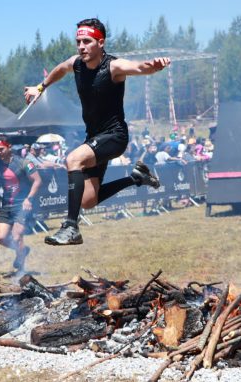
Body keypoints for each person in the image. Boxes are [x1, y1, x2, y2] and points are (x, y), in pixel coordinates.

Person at [24, 18, 170, 245]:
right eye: (78, 41)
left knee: (73, 159)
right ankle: (136, 178)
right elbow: (60, 69)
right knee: (88, 200)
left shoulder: (113, 67)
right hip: (94, 137)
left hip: (115, 136)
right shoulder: (76, 63)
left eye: (87, 41)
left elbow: (140, 67)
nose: (81, 46)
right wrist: (40, 88)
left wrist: (154, 66)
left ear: (100, 43)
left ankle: (71, 227)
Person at [0, 138, 41, 272]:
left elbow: (37, 181)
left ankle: (21, 269)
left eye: (1, 149)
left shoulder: (24, 162)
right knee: (1, 238)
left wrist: (29, 198)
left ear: (9, 147)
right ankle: (22, 250)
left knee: (16, 237)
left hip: (22, 205)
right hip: (6, 205)